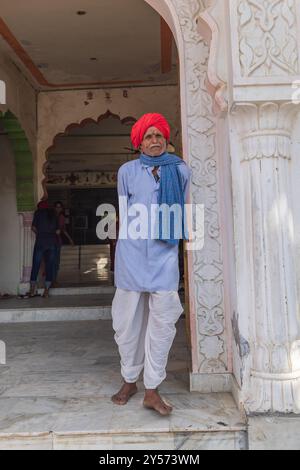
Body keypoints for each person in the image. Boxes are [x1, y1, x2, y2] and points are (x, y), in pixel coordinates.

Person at [111, 113, 191, 416]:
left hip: (165, 254)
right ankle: (129, 378)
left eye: (159, 135)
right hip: (131, 254)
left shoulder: (181, 170)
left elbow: (185, 209)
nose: (155, 141)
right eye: (149, 136)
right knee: (126, 322)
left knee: (163, 322)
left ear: (167, 139)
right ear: (139, 142)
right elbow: (123, 213)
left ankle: (152, 388)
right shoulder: (127, 171)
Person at [29, 200, 60, 298]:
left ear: (39, 207)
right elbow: (58, 231)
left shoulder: (38, 213)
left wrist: (40, 234)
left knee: (36, 265)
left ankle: (32, 290)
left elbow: (33, 228)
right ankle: (46, 291)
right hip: (52, 243)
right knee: (49, 266)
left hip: (40, 242)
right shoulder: (54, 214)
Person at [53, 201, 75, 285]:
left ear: (62, 208)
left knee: (56, 262)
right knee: (51, 261)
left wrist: (70, 239)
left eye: (60, 207)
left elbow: (63, 229)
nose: (58, 209)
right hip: (50, 241)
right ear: (54, 208)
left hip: (57, 242)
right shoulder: (51, 216)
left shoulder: (62, 217)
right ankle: (51, 280)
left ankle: (54, 280)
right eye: (57, 207)